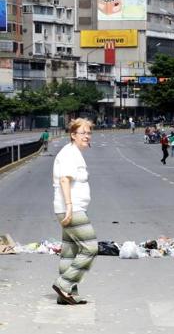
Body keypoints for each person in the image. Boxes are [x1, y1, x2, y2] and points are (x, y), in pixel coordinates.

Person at [52, 118, 97, 305]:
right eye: (83, 133)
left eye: (89, 133)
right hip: (72, 209)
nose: (86, 136)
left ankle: (66, 295)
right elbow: (64, 180)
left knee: (69, 252)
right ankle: (64, 284)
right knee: (91, 247)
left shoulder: (73, 152)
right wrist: (70, 207)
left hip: (68, 208)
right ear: (73, 135)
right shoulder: (70, 153)